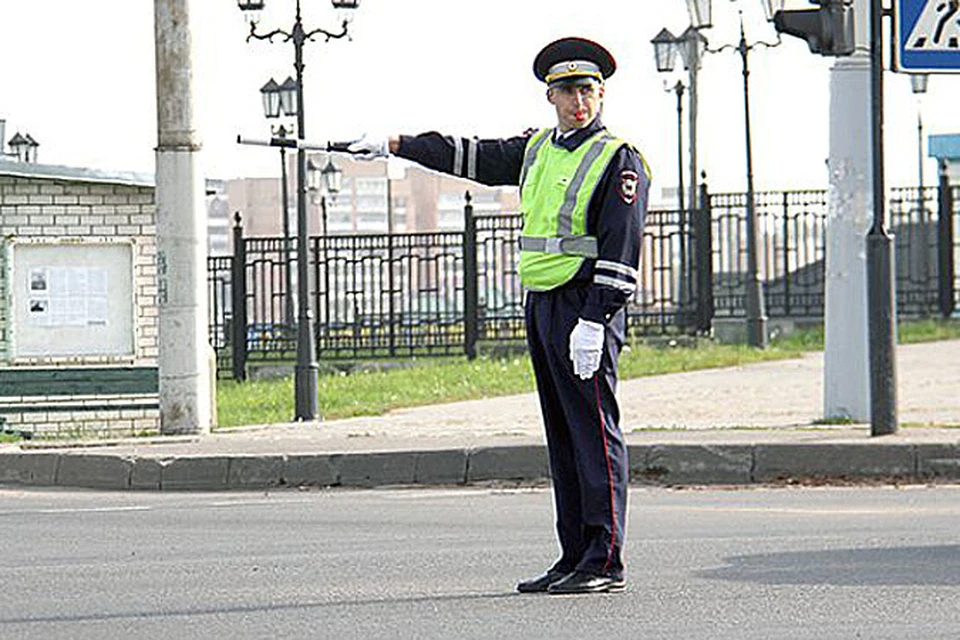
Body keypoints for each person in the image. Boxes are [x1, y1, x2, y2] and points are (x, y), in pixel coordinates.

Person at [347, 36, 650, 595]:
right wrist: (394, 144)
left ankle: (605, 559)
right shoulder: (537, 149)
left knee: (593, 433)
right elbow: (472, 155)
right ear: (550, 97)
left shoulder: (618, 158)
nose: (578, 102)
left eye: (587, 90)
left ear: (601, 93)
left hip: (584, 309)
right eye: (566, 92)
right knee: (562, 436)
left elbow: (621, 244)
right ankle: (573, 554)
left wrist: (596, 318)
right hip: (543, 304)